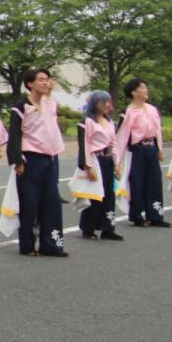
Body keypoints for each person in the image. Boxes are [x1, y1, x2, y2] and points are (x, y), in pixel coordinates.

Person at [7, 68, 68, 257]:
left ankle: (51, 244)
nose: (45, 82)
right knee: (30, 203)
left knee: (51, 202)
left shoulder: (50, 103)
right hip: (30, 159)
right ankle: (27, 245)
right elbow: (15, 135)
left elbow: (50, 95)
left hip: (49, 158)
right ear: (30, 83)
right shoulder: (21, 106)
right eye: (40, 79)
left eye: (47, 79)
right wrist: (17, 160)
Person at [115, 79, 171, 229]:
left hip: (151, 147)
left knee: (154, 181)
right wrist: (117, 161)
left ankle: (156, 215)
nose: (146, 90)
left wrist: (159, 148)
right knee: (137, 183)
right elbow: (121, 136)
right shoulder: (128, 112)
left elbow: (158, 130)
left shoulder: (152, 109)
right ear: (134, 92)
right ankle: (137, 216)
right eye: (142, 88)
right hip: (137, 150)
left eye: (146, 87)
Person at [76, 90, 122, 241]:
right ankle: (88, 228)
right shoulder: (87, 122)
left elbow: (114, 143)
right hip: (95, 160)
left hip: (108, 159)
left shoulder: (110, 122)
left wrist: (116, 164)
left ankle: (108, 228)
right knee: (94, 195)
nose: (108, 105)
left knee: (109, 194)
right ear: (96, 104)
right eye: (105, 102)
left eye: (109, 102)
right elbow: (85, 145)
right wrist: (88, 167)